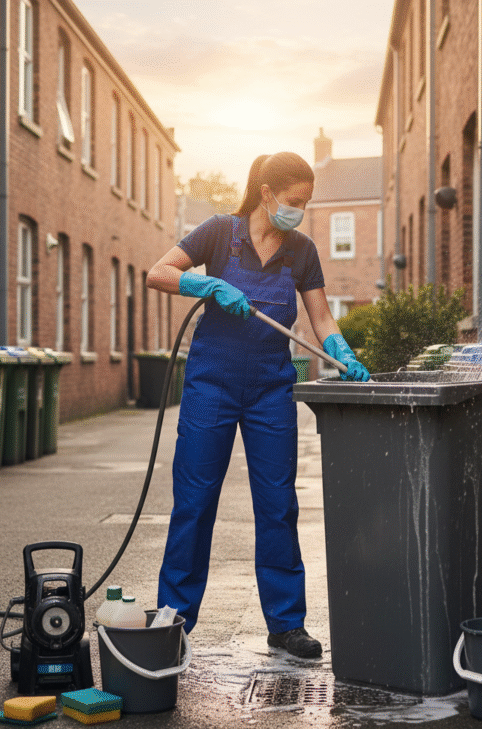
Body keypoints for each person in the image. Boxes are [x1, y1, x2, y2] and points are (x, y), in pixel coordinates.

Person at [146, 152, 370, 659]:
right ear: (267, 194)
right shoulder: (218, 234)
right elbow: (157, 273)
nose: (301, 211)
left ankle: (287, 624)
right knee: (195, 501)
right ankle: (174, 622)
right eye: (295, 201)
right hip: (211, 384)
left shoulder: (301, 251)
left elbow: (322, 319)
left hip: (271, 387)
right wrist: (205, 283)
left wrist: (340, 351)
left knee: (278, 505)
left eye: (307, 203)